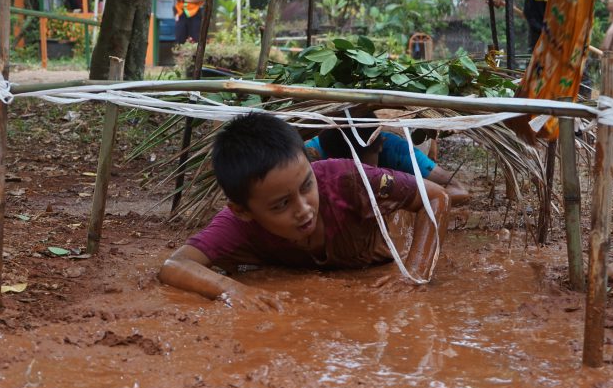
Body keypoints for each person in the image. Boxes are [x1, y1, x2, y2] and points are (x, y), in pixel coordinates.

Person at [158, 113, 450, 311]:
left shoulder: (348, 179)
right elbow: (175, 265)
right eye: (281, 204)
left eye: (306, 185)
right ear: (243, 211)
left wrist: (415, 271)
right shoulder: (237, 224)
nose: (304, 209)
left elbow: (436, 196)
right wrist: (232, 290)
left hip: (383, 237)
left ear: (311, 164)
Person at [306, 127, 470, 206]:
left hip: (409, 145)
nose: (359, 172)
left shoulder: (398, 151)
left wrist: (404, 204)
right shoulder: (314, 153)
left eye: (363, 167)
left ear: (380, 146)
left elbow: (460, 191)